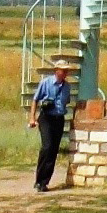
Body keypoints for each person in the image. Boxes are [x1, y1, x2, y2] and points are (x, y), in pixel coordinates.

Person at [28, 55, 74, 191]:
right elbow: (35, 100)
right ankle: (39, 179)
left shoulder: (67, 87)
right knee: (47, 147)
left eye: (67, 70)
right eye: (63, 70)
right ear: (56, 70)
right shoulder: (46, 83)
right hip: (46, 118)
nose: (65, 73)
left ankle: (44, 182)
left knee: (53, 150)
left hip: (58, 119)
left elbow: (66, 102)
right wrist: (32, 118)